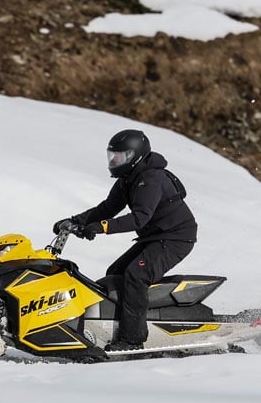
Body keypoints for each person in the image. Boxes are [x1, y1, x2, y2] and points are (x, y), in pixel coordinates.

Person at [53, 129, 197, 352]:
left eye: (120, 157)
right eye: (112, 156)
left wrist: (101, 227)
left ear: (135, 156)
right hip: (155, 236)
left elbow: (140, 218)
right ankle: (115, 327)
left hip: (176, 238)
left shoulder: (151, 178)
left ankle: (132, 340)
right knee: (115, 274)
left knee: (136, 275)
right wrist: (75, 221)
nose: (114, 162)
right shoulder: (128, 178)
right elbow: (108, 208)